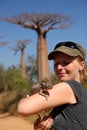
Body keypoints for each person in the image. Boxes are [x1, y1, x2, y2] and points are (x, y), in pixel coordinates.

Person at [17, 41, 87, 130]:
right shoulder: (81, 94)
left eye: (66, 62)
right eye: (56, 63)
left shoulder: (71, 86)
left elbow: (23, 109)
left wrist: (25, 99)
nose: (59, 67)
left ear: (81, 65)